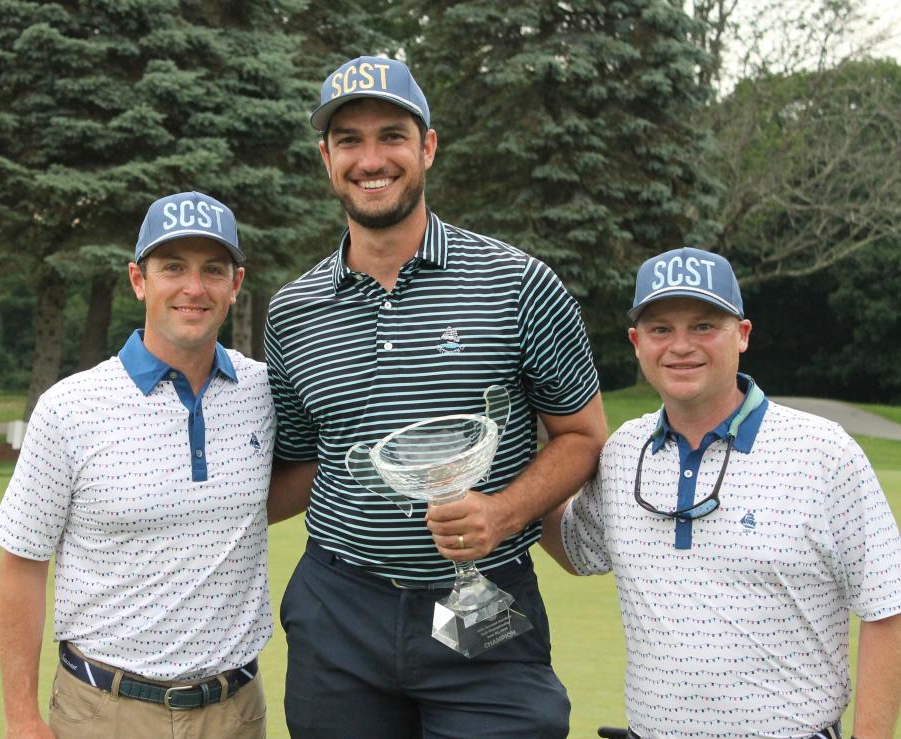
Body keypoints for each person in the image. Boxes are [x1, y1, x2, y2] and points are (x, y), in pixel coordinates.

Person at [263, 55, 608, 737]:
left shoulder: (518, 284)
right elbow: (301, 465)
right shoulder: (293, 312)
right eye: (349, 141)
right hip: (340, 609)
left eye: (392, 135)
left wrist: (506, 511)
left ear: (427, 147)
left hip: (484, 602)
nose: (371, 158)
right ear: (326, 158)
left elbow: (583, 435)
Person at [541, 246, 901, 739]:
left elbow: (889, 606)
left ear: (743, 335)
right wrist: (506, 483)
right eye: (661, 329)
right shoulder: (626, 451)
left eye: (704, 326)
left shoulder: (823, 452)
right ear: (636, 342)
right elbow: (578, 548)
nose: (680, 346)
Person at [0, 191, 276, 738]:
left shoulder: (261, 391)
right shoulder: (70, 407)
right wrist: (22, 719)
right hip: (104, 710)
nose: (194, 288)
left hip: (236, 711)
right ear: (139, 280)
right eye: (173, 267)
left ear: (235, 286)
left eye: (212, 269)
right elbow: (21, 564)